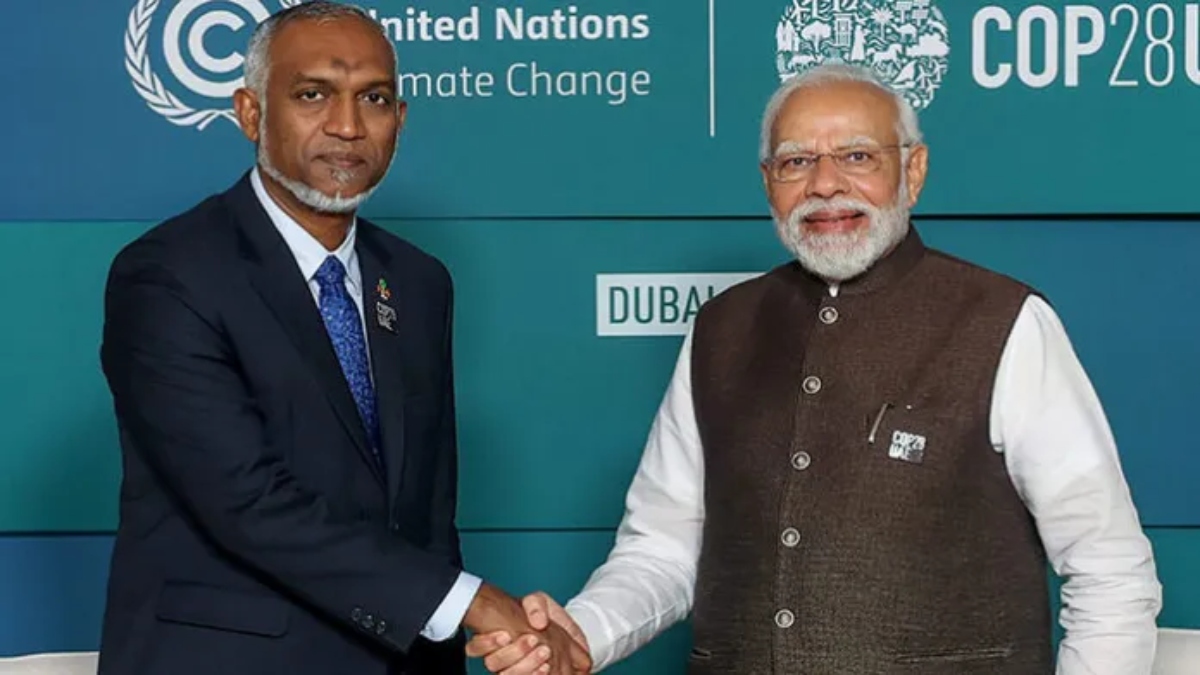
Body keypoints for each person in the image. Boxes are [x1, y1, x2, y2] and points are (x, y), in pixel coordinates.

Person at [465, 63, 1163, 674]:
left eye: (857, 155)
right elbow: (664, 548)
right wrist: (583, 634)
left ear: (913, 171)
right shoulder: (721, 328)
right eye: (796, 162)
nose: (826, 185)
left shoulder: (1004, 321)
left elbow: (1108, 571)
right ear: (768, 183)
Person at [96, 3, 589, 674]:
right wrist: (475, 604)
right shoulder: (169, 274)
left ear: (400, 120)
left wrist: (469, 636)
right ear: (249, 113)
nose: (348, 125)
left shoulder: (418, 281)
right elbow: (247, 503)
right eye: (313, 95)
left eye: (374, 99)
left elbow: (425, 518)